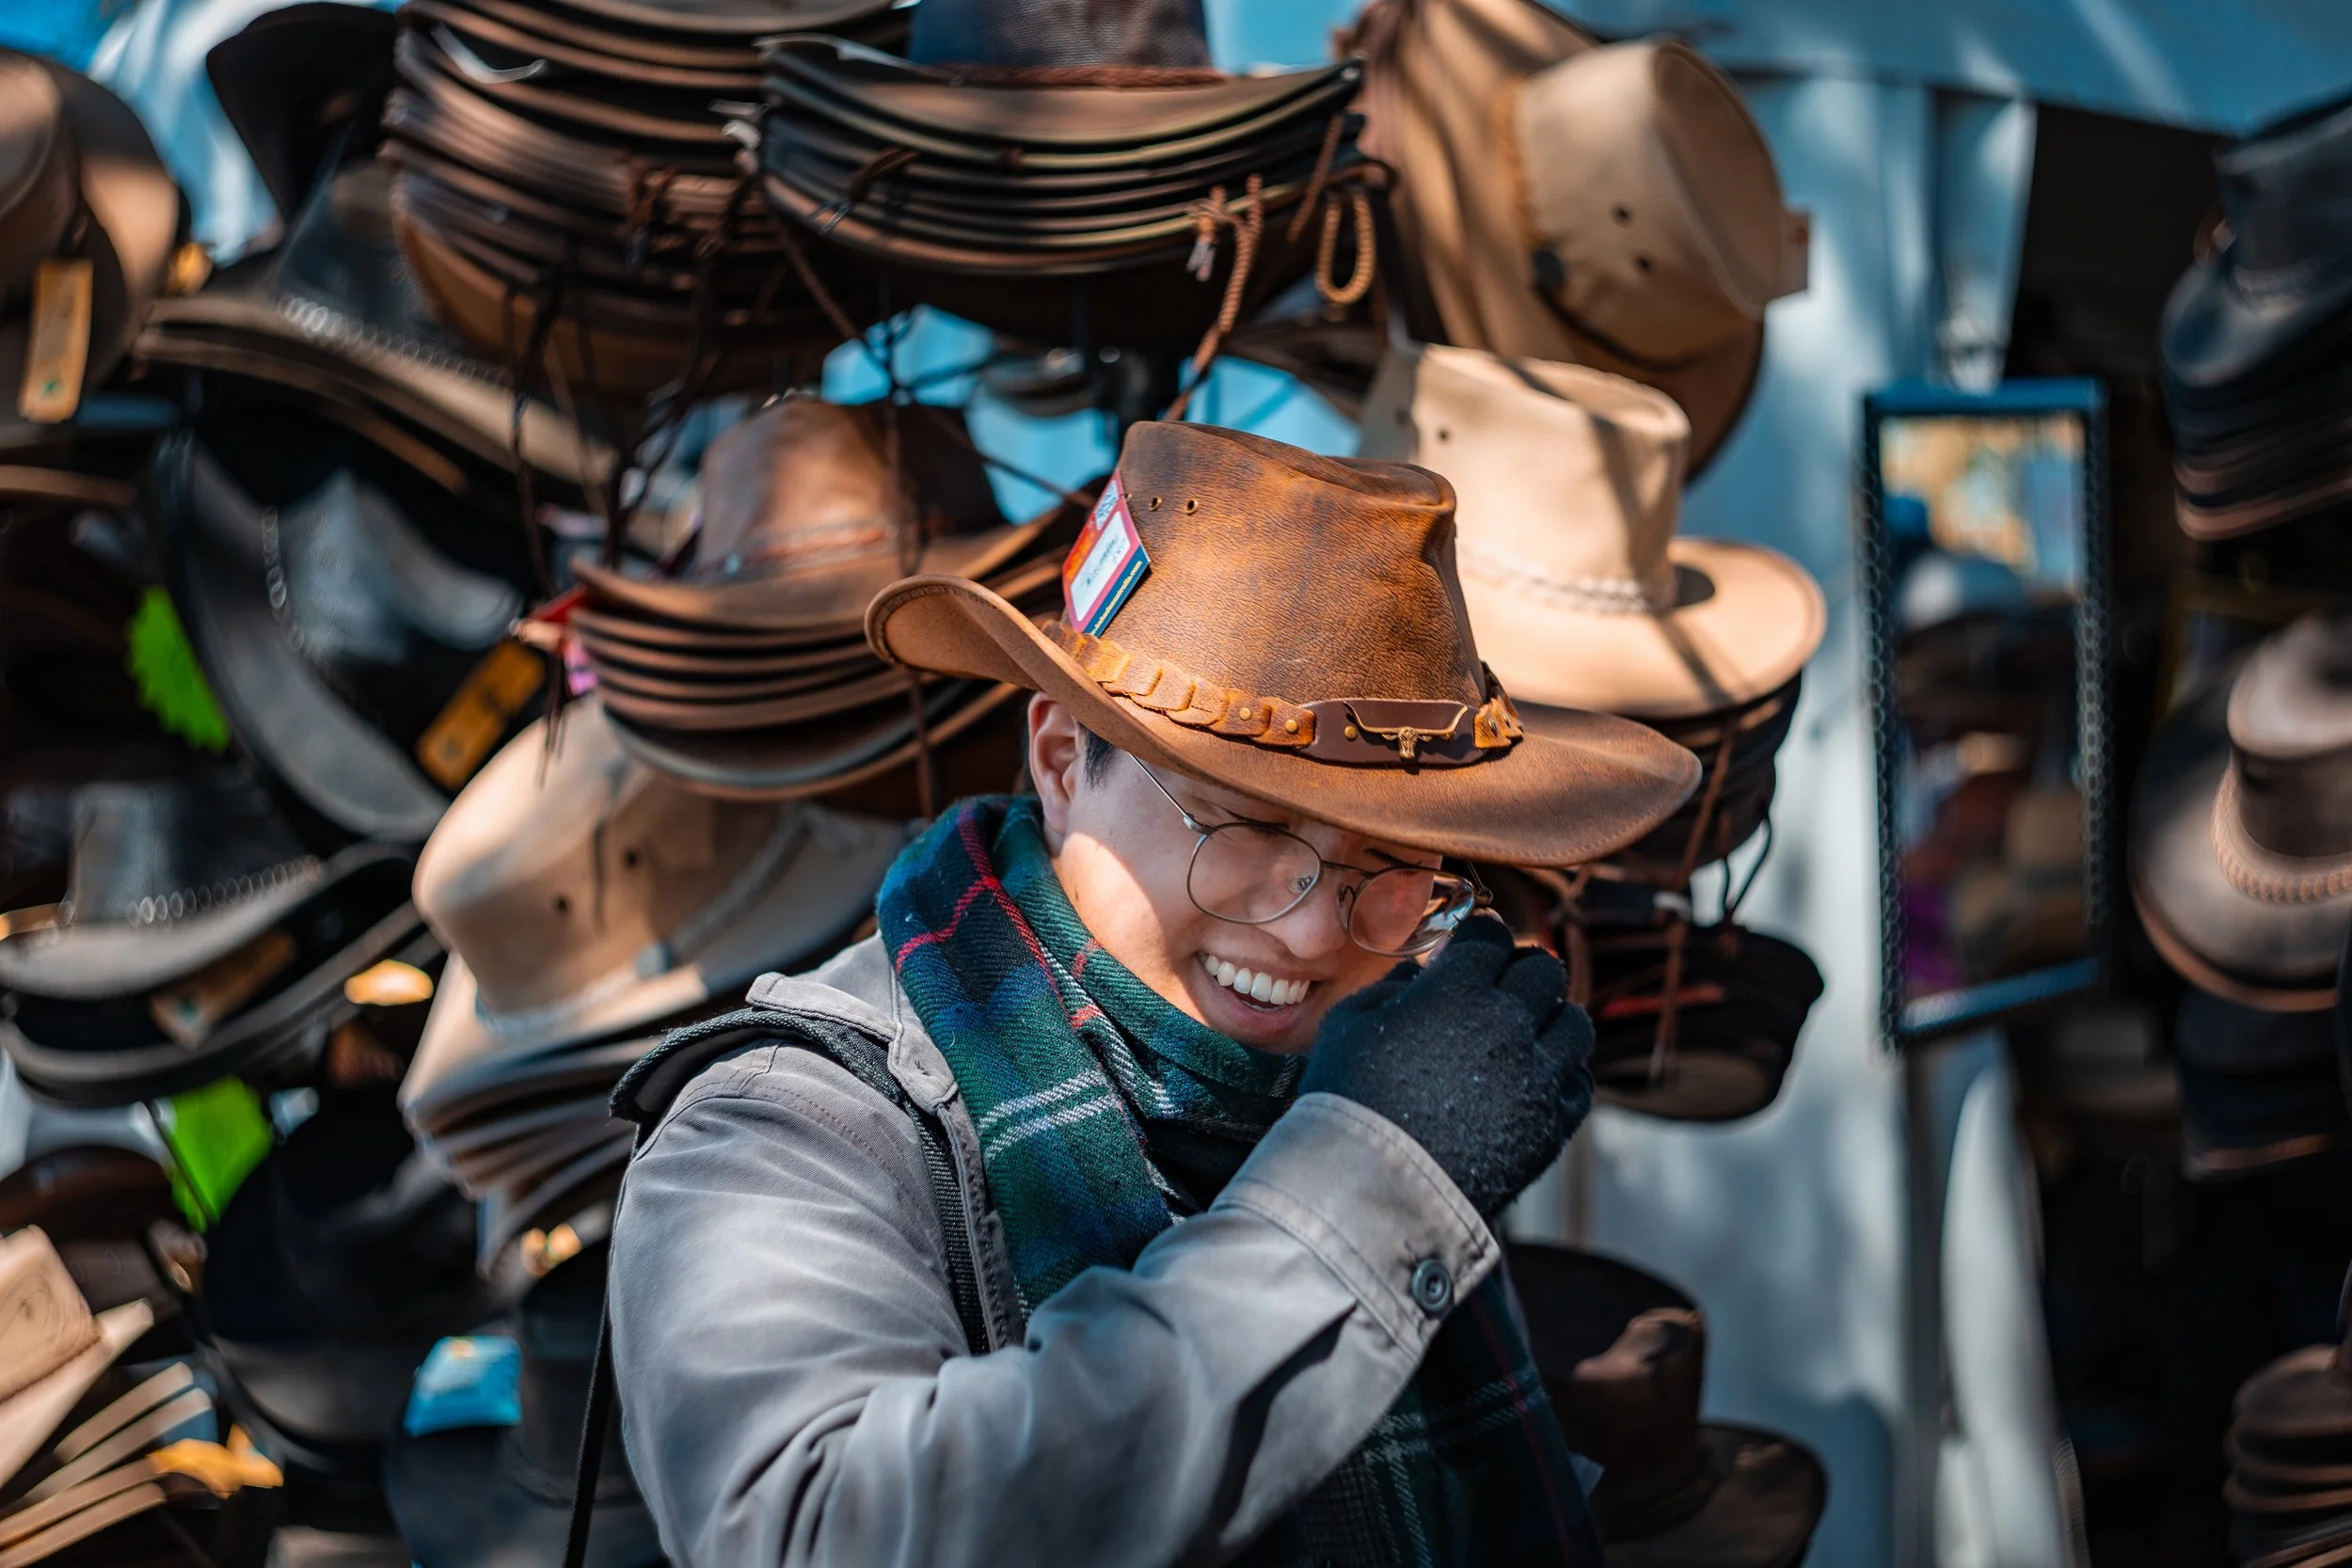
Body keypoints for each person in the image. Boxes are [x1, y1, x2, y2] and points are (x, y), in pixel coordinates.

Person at [608, 421, 1700, 1567]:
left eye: (1390, 852)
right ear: (1063, 759)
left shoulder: (1334, 1070)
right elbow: (819, 1535)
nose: (1314, 926)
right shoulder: (786, 1127)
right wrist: (1374, 1182)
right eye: (1247, 826)